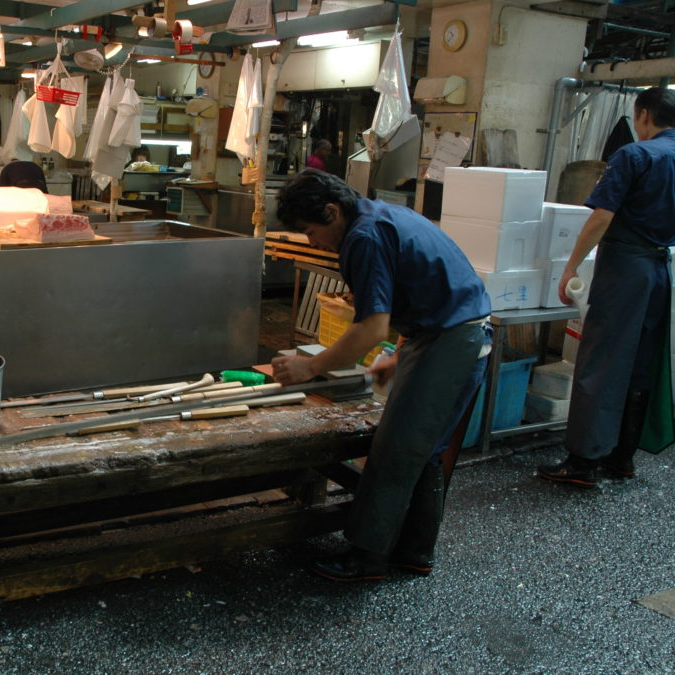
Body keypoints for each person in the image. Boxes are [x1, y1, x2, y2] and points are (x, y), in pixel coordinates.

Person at [272, 170, 491, 581]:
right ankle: (412, 551)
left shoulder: (364, 236)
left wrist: (310, 367)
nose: (313, 242)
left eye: (310, 231)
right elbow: (418, 291)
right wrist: (402, 350)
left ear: (332, 211)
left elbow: (371, 327)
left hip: (451, 338)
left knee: (396, 448)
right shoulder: (380, 215)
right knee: (420, 448)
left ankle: (367, 558)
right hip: (448, 331)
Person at [538, 86, 675, 487]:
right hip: (659, 270)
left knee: (601, 363)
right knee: (640, 364)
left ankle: (582, 462)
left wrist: (571, 266)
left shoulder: (635, 154)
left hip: (626, 268)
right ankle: (622, 458)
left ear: (645, 115)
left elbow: (601, 217)